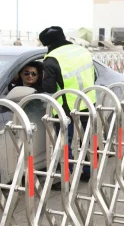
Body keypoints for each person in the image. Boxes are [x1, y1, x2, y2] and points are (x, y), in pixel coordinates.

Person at [39, 26, 96, 186]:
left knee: (65, 142)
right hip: (88, 101)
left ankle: (67, 178)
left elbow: (49, 88)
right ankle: (89, 172)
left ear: (48, 44)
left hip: (66, 107)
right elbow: (94, 75)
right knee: (89, 140)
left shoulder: (51, 59)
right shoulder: (82, 51)